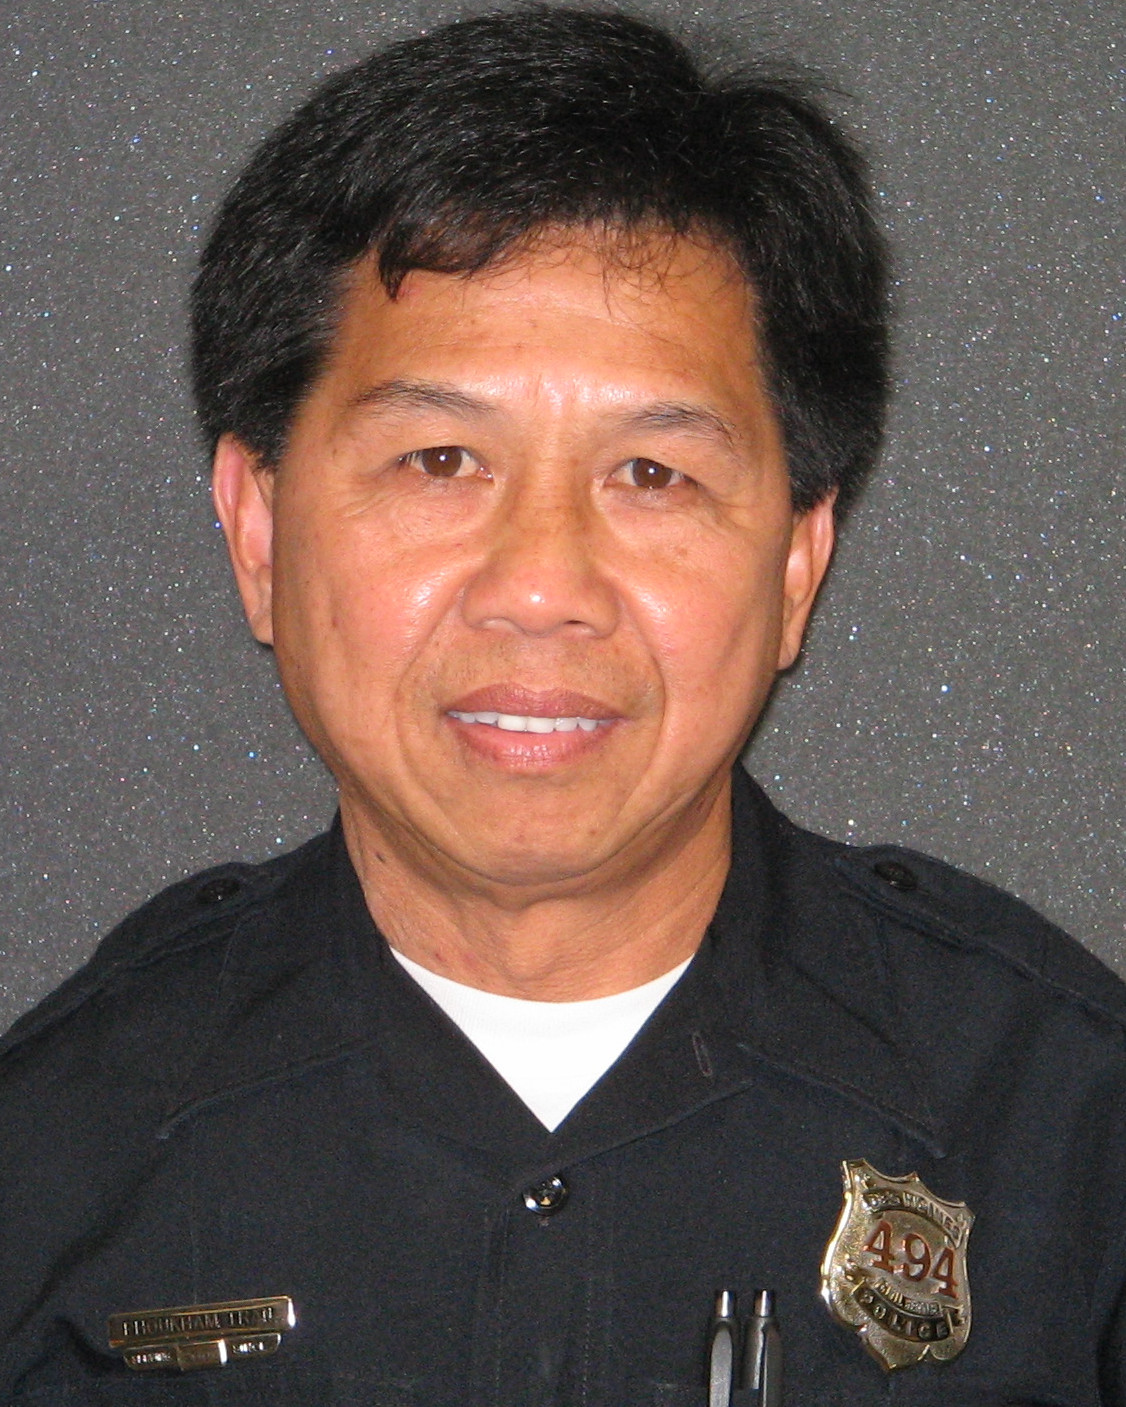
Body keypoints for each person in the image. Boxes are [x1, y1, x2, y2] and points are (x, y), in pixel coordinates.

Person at [2, 7, 1124, 1404]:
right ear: (260, 531)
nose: (540, 587)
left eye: (651, 474)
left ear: (795, 564)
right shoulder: (56, 1160)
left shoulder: (1064, 1133)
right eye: (439, 459)